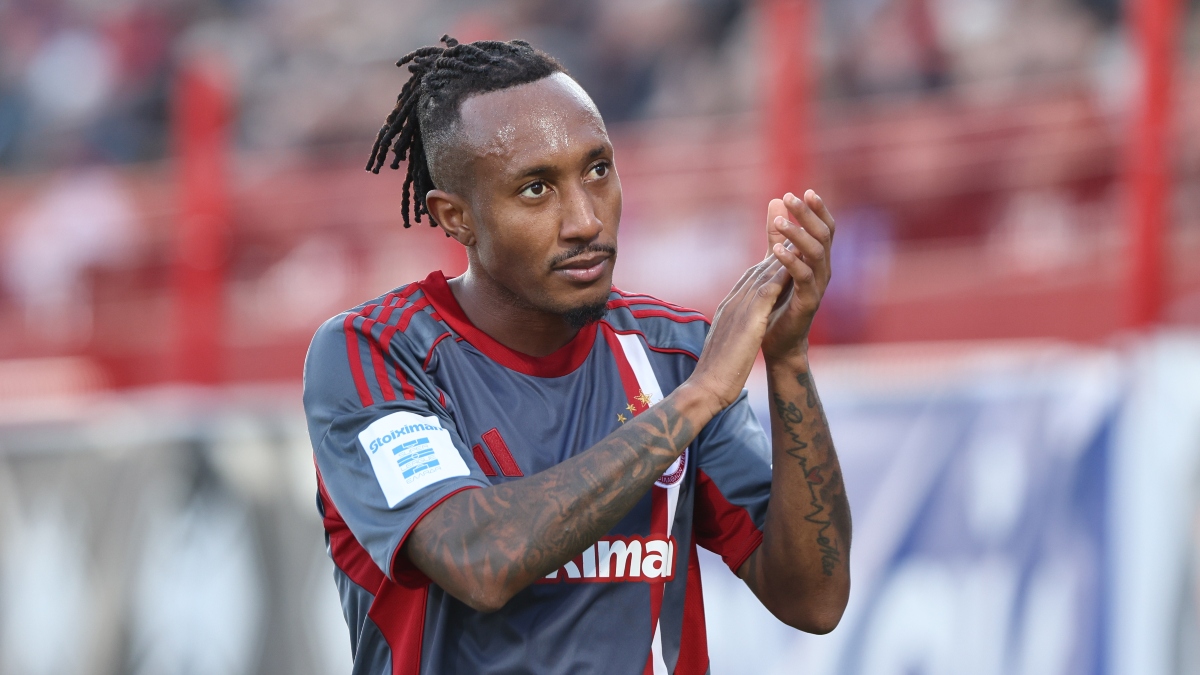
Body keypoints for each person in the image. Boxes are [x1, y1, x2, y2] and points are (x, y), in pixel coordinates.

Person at [303, 36, 851, 675]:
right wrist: (696, 400)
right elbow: (478, 561)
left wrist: (787, 361)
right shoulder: (375, 353)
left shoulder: (672, 353)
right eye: (536, 189)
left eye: (597, 170)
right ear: (456, 218)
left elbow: (814, 601)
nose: (586, 220)